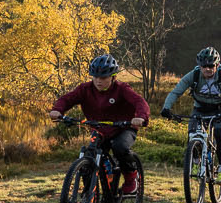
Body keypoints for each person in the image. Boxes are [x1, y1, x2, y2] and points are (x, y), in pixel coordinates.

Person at [51, 53, 150, 195]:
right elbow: (67, 99)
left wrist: (141, 117)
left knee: (120, 147)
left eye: (103, 77)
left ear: (113, 76)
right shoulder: (85, 89)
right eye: (95, 77)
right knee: (88, 160)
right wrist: (57, 110)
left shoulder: (122, 89)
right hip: (100, 130)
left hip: (123, 129)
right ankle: (90, 201)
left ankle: (131, 178)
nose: (98, 81)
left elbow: (140, 102)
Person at [160, 46, 221, 184]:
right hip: (200, 109)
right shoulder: (193, 75)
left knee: (220, 134)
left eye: (211, 66)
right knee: (192, 134)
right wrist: (166, 108)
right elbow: (176, 92)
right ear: (199, 66)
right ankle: (195, 162)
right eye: (204, 66)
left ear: (217, 65)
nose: (207, 69)